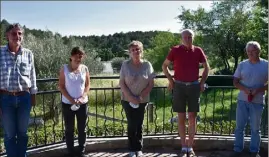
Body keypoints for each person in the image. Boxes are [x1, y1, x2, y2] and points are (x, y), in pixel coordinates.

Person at [162, 29, 210, 157]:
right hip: (179, 87)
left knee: (192, 118)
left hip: (194, 86)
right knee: (181, 118)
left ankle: (190, 147)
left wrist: (202, 82)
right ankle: (184, 146)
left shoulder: (198, 50)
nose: (188, 39)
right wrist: (171, 81)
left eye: (190, 37)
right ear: (181, 38)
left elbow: (207, 67)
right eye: (185, 37)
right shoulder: (175, 50)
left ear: (193, 38)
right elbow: (164, 66)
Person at [0, 23, 38, 157]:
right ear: (7, 36)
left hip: (24, 98)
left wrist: (33, 96)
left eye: (20, 33)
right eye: (14, 33)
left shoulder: (28, 54)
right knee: (10, 134)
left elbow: (32, 75)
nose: (17, 36)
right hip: (5, 99)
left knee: (22, 133)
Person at [230, 41, 268, 157]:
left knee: (255, 129)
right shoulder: (242, 64)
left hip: (257, 101)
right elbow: (235, 82)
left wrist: (259, 89)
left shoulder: (266, 65)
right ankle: (237, 150)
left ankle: (254, 151)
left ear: (258, 51)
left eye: (253, 50)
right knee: (239, 128)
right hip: (242, 100)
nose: (251, 53)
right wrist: (245, 89)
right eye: (248, 51)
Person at [119, 40, 155, 157]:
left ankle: (138, 149)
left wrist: (139, 97)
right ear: (129, 52)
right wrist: (131, 98)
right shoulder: (125, 64)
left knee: (139, 124)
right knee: (131, 124)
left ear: (141, 51)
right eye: (133, 50)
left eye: (138, 49)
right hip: (126, 99)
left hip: (142, 100)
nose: (136, 51)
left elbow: (151, 84)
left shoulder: (147, 65)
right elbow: (122, 83)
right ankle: (131, 149)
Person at [58, 46, 90, 157]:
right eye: (76, 56)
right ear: (71, 56)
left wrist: (82, 98)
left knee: (82, 128)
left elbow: (87, 85)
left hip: (82, 103)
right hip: (68, 104)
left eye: (81, 56)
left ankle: (81, 150)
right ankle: (70, 151)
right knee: (69, 128)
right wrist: (72, 100)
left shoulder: (85, 68)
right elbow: (61, 86)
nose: (78, 58)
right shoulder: (64, 68)